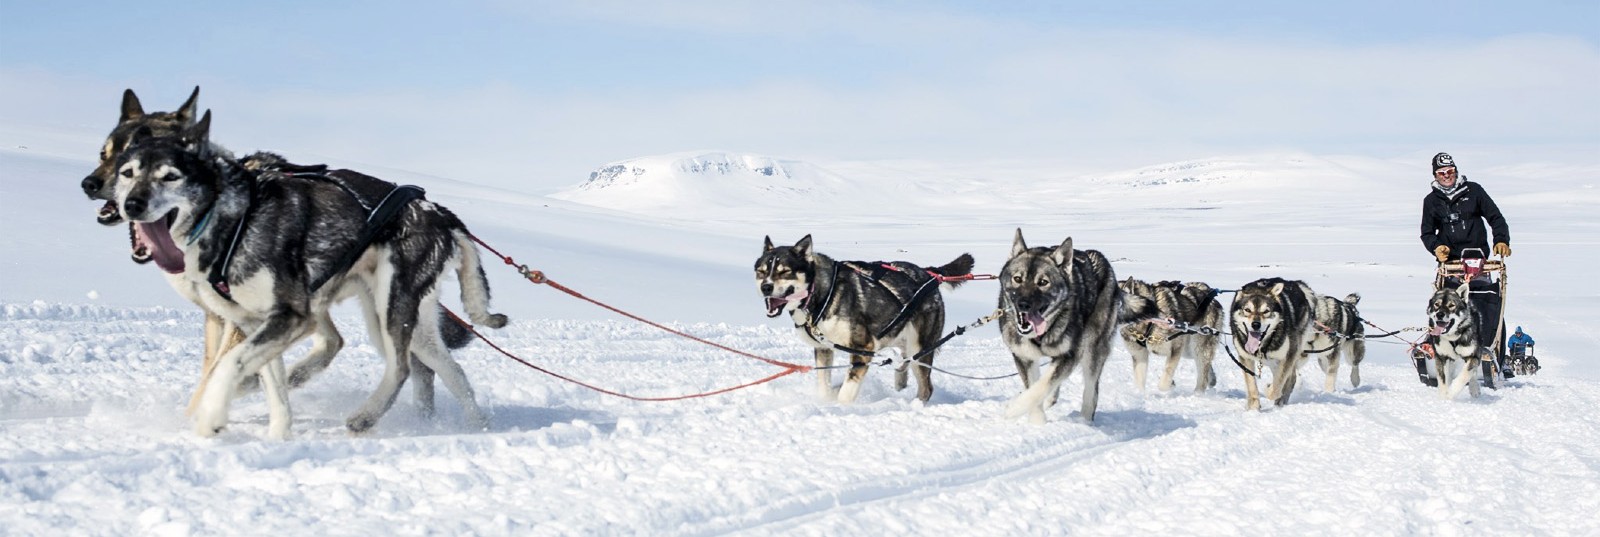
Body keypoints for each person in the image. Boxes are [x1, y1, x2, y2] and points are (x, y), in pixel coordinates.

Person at [1420, 151, 1513, 377]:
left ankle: (1493, 353)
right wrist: (1436, 247)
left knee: (1487, 303)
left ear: (1456, 171)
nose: (1447, 176)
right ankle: (1442, 351)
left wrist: (1501, 240)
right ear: (1435, 175)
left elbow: (1495, 217)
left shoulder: (1473, 191)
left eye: (1450, 171)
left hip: (1479, 263)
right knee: (1445, 309)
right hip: (1451, 264)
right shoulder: (1431, 201)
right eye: (1442, 173)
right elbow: (1426, 232)